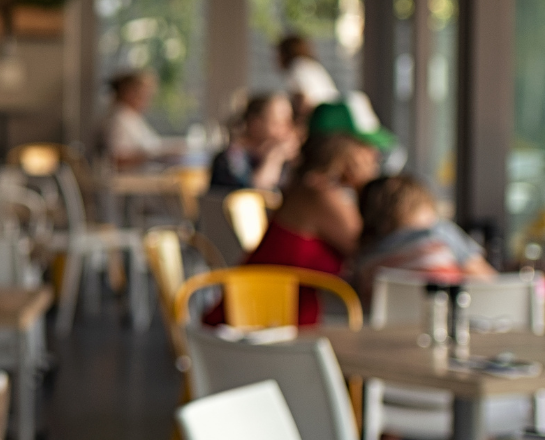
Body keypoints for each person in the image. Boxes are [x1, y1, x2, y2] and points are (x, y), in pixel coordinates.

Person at [241, 132, 379, 325]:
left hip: (269, 317)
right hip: (260, 323)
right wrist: (369, 187)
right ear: (347, 154)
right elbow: (371, 249)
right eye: (367, 153)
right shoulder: (319, 194)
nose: (374, 161)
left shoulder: (308, 188)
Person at [350, 174, 494, 304]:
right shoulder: (439, 233)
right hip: (448, 323)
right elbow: (489, 283)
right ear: (421, 206)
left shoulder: (364, 260)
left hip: (388, 332)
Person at [209, 92, 298, 192]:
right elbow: (252, 196)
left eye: (290, 122)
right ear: (255, 124)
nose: (287, 130)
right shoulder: (231, 159)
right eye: (278, 123)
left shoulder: (288, 160)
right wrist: (274, 159)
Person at [98, 71, 165, 170]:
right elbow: (117, 158)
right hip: (128, 180)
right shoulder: (118, 119)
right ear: (129, 93)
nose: (148, 100)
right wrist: (153, 156)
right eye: (144, 94)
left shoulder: (132, 117)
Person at [278, 34, 339, 114]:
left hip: (320, 118)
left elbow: (304, 100)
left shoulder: (297, 67)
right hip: (334, 114)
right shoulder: (312, 66)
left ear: (285, 53)